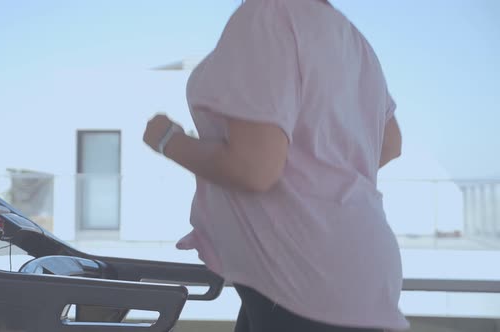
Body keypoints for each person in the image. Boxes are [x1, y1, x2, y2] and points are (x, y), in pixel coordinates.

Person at [143, 0, 408, 331]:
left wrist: (168, 141)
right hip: (347, 271)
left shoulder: (267, 14)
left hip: (303, 278)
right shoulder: (350, 37)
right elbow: (390, 143)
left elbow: (252, 169)